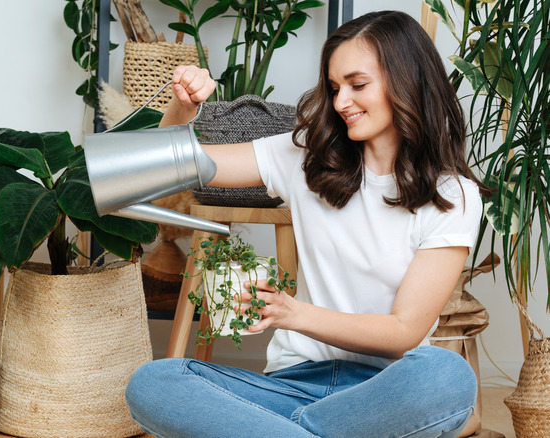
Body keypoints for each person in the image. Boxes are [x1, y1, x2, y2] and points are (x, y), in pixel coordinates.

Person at [125, 10, 488, 438]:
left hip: (382, 395)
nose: (340, 103)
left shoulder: (454, 195)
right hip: (289, 387)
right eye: (334, 88)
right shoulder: (305, 156)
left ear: (407, 81)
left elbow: (403, 331)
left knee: (447, 375)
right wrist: (183, 109)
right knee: (154, 383)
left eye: (357, 85)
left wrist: (292, 312)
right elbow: (171, 169)